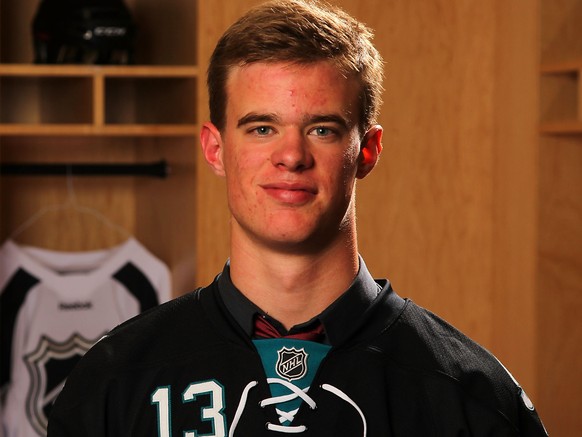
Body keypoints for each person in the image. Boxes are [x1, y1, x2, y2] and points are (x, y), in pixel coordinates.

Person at [48, 0, 548, 435]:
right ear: (216, 149)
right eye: (262, 128)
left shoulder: (472, 397)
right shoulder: (112, 384)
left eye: (323, 130)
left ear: (367, 151)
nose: (291, 156)